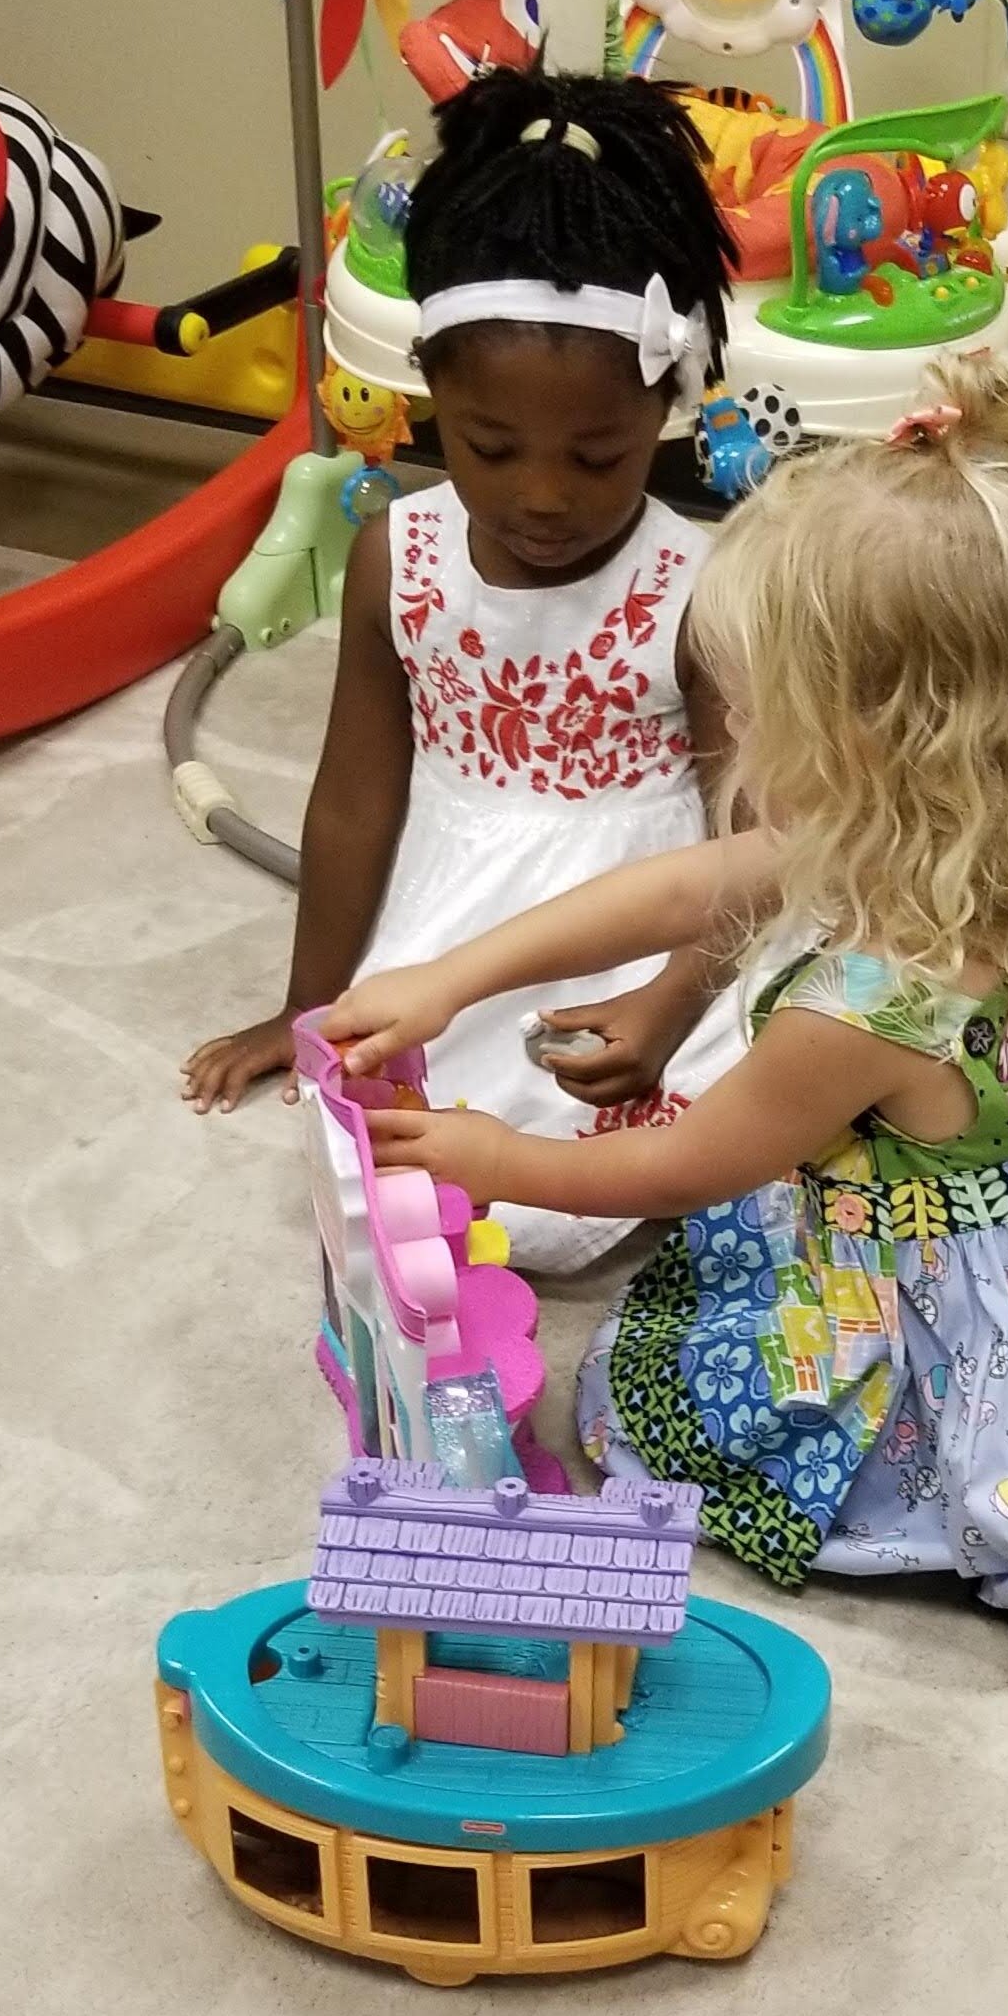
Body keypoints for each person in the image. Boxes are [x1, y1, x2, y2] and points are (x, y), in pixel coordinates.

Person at [322, 352, 1008, 1616]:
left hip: (967, 1307)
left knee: (686, 1405)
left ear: (855, 737)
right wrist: (453, 975)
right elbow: (690, 888)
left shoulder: (859, 1012)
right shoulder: (972, 837)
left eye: (751, 711)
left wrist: (490, 1156)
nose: (729, 734)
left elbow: (672, 1169)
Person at [182, 64, 742, 1266]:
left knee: (710, 1135)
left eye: (597, 457)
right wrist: (307, 1003)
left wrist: (676, 997)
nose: (543, 496)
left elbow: (759, 840)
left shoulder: (700, 587)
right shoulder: (400, 554)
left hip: (643, 925)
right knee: (386, 1145)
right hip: (453, 920)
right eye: (493, 447)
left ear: (666, 412)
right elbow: (354, 795)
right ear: (433, 399)